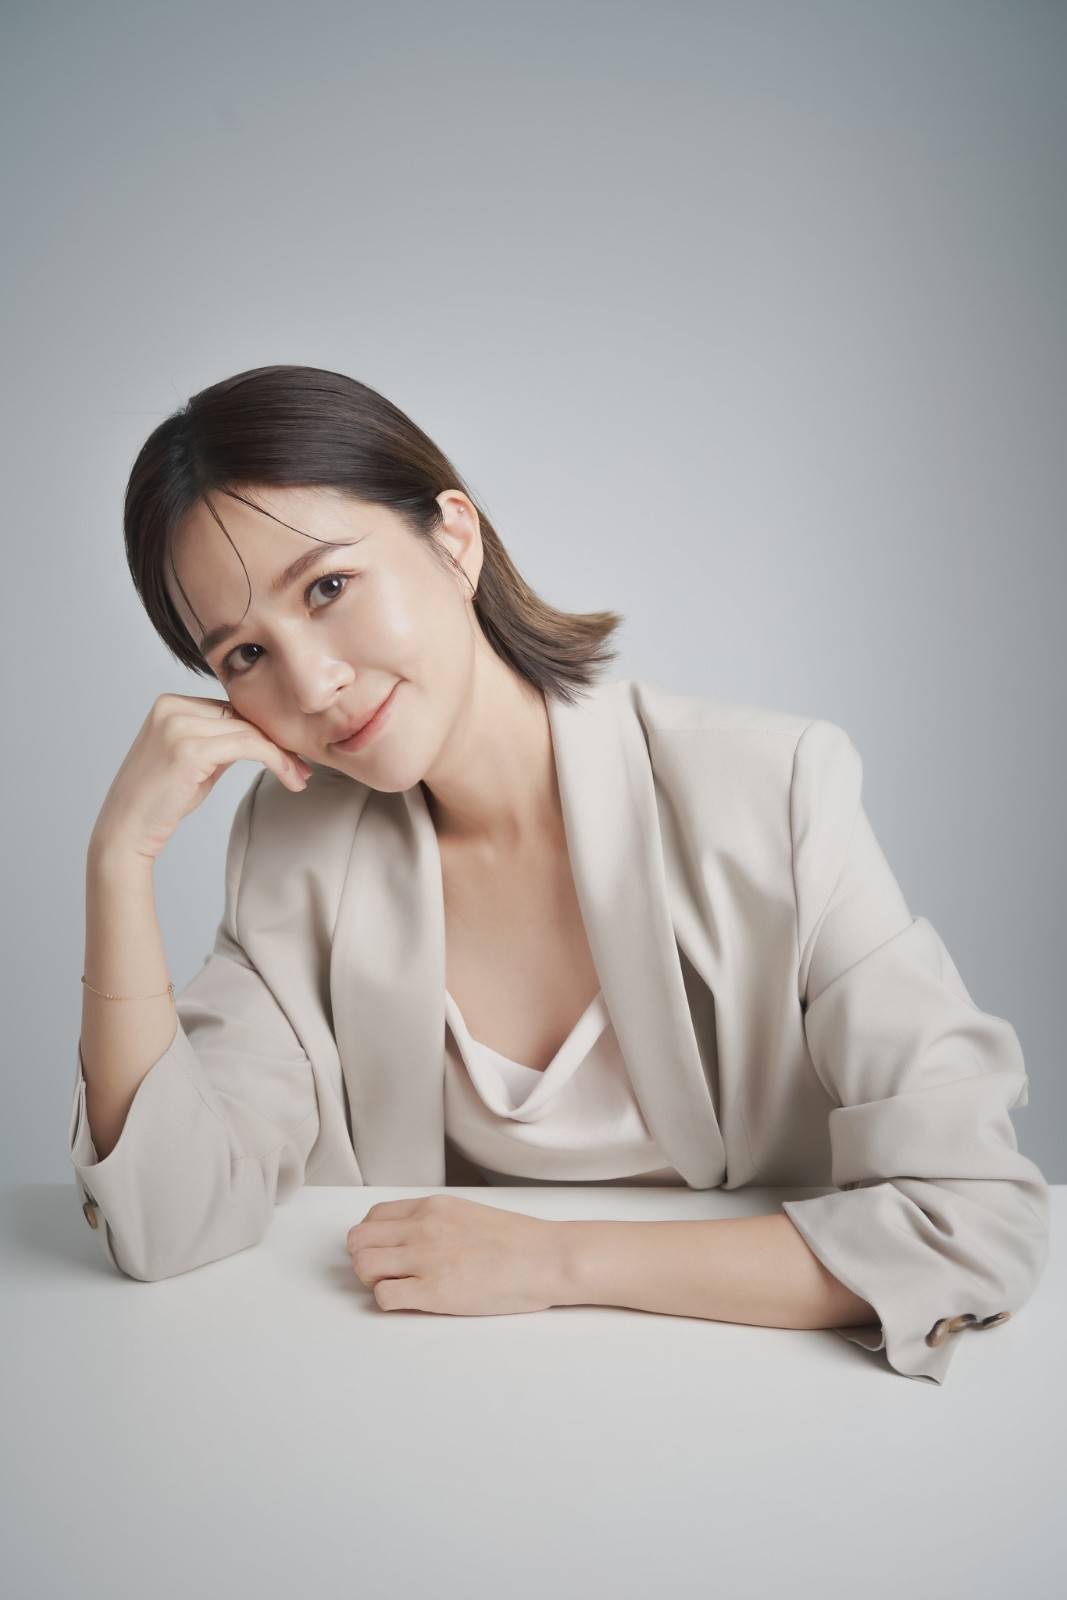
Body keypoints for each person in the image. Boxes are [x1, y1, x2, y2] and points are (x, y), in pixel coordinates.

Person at [70, 364, 1050, 1383]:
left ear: (453, 538)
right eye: (242, 655)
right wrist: (118, 862)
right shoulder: (296, 849)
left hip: (760, 1398)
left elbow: (971, 1217)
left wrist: (555, 1261)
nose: (312, 683)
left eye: (327, 587)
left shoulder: (769, 791)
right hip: (437, 1400)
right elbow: (167, 1216)